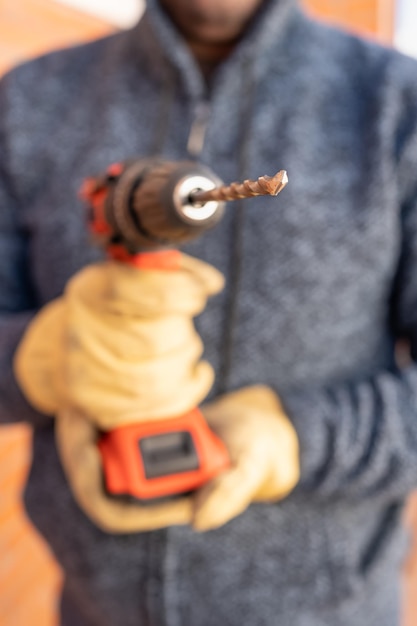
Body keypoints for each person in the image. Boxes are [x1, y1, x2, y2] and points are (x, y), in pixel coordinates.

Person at [1, 0, 417, 624]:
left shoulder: (396, 105)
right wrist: (44, 359)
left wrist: (296, 439)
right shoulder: (29, 99)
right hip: (92, 609)